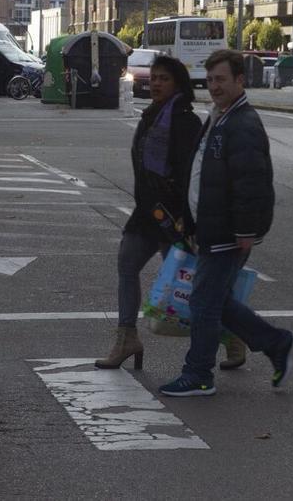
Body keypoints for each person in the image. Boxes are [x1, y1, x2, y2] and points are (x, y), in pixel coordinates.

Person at [159, 49, 293, 397]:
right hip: (211, 227)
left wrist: (245, 231)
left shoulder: (243, 124)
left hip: (227, 231)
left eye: (221, 79)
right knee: (215, 301)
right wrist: (190, 222)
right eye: (210, 80)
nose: (214, 86)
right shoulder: (220, 116)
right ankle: (277, 343)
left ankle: (199, 374)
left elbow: (251, 182)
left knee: (204, 303)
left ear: (240, 80)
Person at [95, 56, 201, 371]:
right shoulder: (151, 116)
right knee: (127, 266)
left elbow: (189, 175)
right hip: (146, 213)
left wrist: (187, 222)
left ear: (178, 82)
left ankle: (230, 333)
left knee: (188, 284)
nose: (155, 83)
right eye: (153, 78)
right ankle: (127, 337)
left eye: (163, 78)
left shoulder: (186, 121)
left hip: (173, 218)